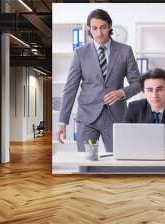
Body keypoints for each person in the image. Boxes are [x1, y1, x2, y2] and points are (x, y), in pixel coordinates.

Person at [57, 9, 140, 152]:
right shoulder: (80, 53)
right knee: (86, 164)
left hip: (116, 117)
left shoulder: (125, 51)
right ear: (89, 29)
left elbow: (138, 83)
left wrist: (121, 92)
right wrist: (62, 121)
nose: (99, 33)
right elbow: (70, 89)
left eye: (103, 27)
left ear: (109, 26)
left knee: (118, 162)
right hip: (87, 118)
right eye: (94, 28)